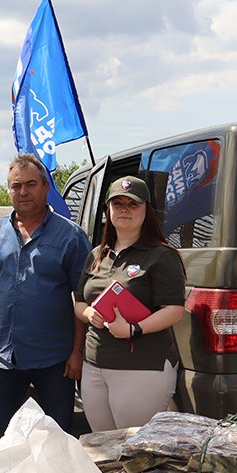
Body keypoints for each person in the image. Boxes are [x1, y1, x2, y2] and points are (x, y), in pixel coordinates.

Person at [0, 153, 91, 455]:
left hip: (55, 362)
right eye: (15, 185)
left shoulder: (72, 237)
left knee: (57, 438)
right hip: (4, 360)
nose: (23, 192)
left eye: (31, 184)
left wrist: (77, 352)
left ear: (46, 188)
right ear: (8, 190)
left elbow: (81, 298)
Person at [74, 176, 186, 431]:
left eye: (133, 204)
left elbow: (175, 311)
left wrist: (134, 329)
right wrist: (90, 313)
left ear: (146, 210)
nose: (125, 209)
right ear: (108, 211)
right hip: (94, 366)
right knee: (103, 445)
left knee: (133, 448)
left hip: (142, 368)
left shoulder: (162, 256)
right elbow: (79, 302)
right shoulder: (96, 255)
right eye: (118, 203)